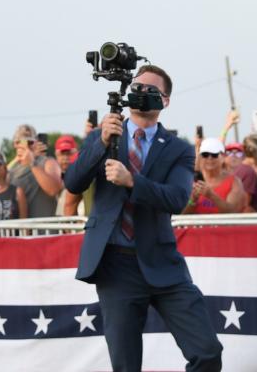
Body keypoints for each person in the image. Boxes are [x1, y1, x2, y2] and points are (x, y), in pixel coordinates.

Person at [64, 65, 222, 371]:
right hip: (115, 266)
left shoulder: (179, 149)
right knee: (126, 365)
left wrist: (132, 181)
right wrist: (100, 143)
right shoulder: (103, 136)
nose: (141, 94)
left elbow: (176, 198)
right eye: (137, 88)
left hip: (164, 263)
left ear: (165, 100)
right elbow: (72, 183)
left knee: (207, 351)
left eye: (151, 90)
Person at [8, 125, 63, 218]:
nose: (25, 146)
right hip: (19, 229)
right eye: (19, 142)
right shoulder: (11, 168)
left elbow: (54, 189)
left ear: (36, 143)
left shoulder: (47, 162)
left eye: (30, 142)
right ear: (14, 144)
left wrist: (32, 164)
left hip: (45, 229)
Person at [183, 138, 246, 214]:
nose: (210, 158)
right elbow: (182, 214)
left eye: (214, 155)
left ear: (223, 157)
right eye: (205, 154)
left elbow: (233, 211)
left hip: (222, 225)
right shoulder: (190, 181)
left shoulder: (234, 182)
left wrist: (211, 195)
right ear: (200, 157)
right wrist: (192, 200)